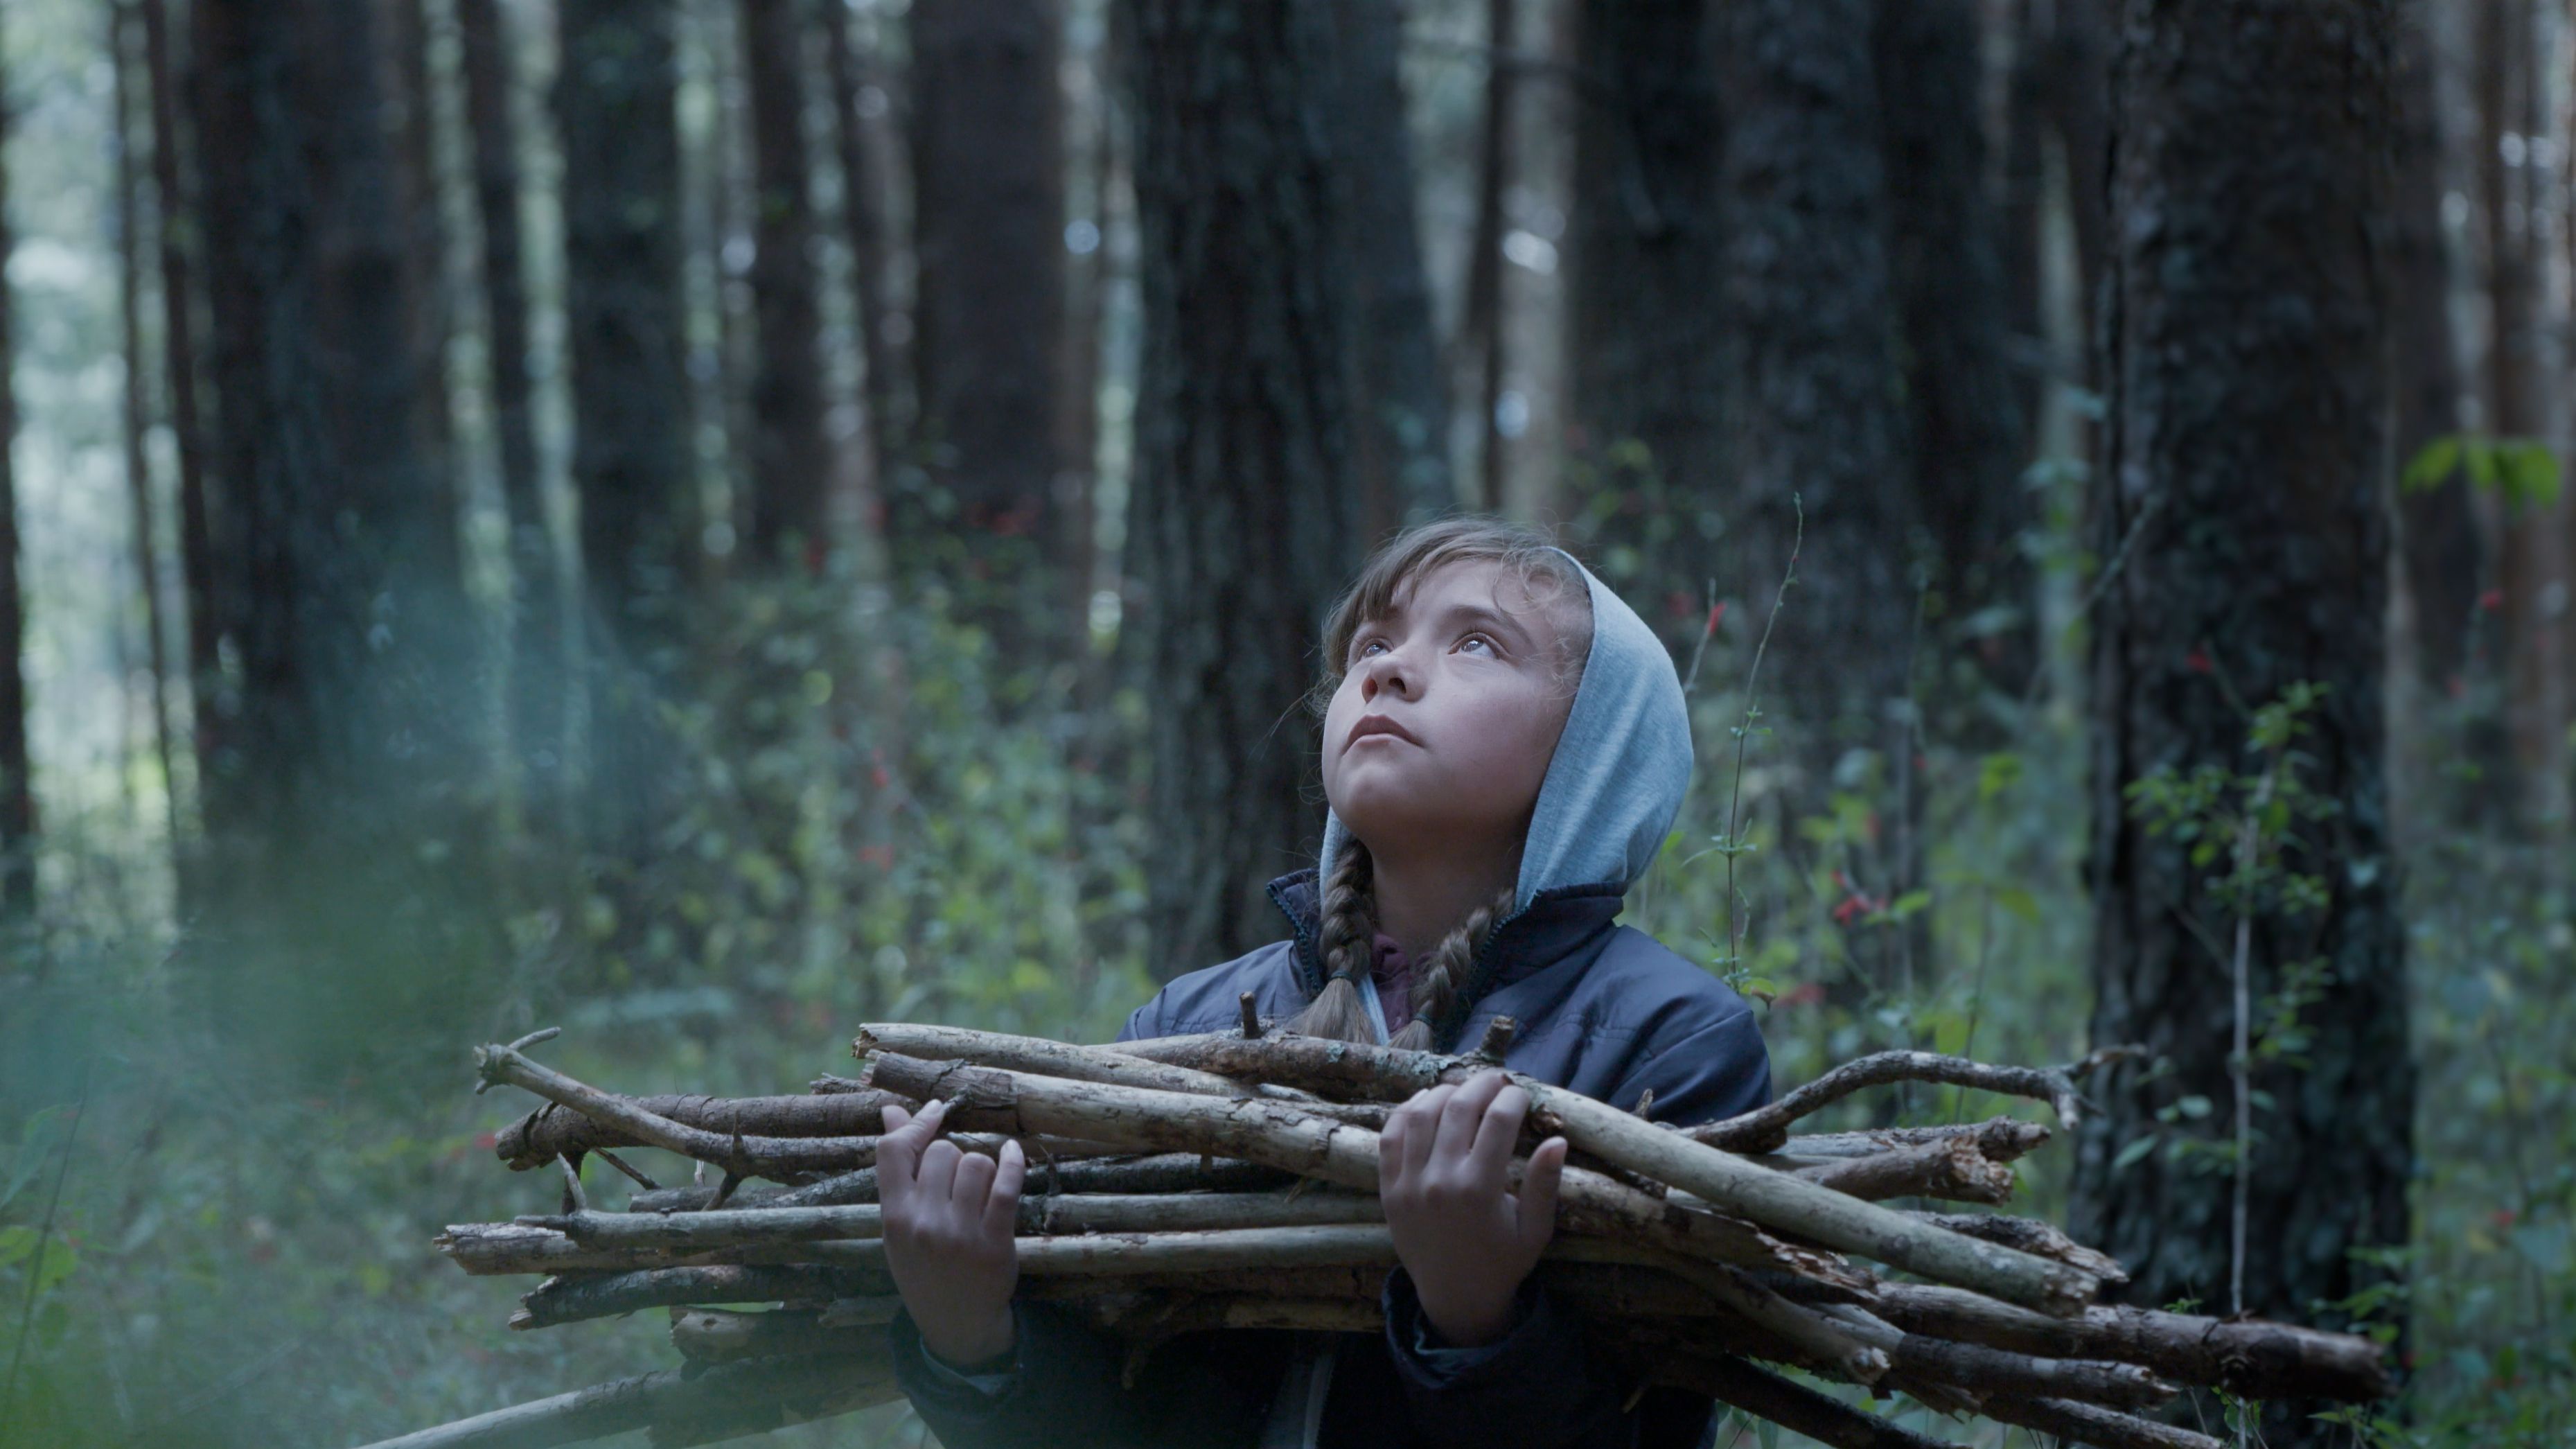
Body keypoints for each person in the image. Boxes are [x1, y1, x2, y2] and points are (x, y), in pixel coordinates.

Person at [874, 517, 1772, 1448]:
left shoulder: (1670, 1041)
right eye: (1371, 646)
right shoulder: (1183, 1022)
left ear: (1599, 746)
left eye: (1476, 643)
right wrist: (971, 1343)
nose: (1388, 671)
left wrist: (1475, 1321)